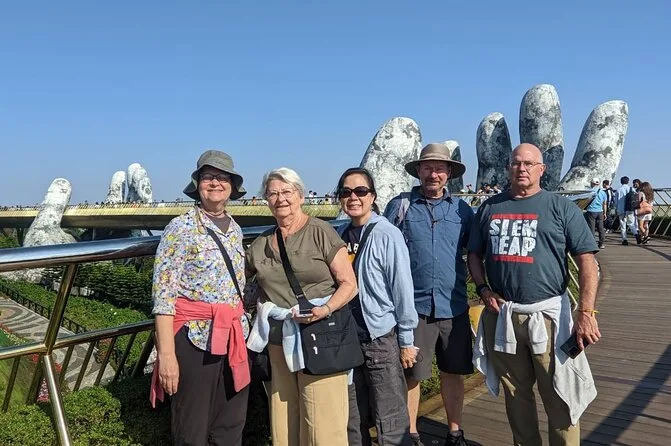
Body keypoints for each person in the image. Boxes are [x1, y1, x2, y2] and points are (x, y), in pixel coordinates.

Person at [468, 143, 600, 446]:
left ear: (542, 169)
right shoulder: (490, 207)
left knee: (560, 393)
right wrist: (483, 289)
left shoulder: (561, 208)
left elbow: (586, 261)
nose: (522, 168)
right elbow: (474, 254)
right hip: (503, 316)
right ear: (508, 168)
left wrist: (585, 312)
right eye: (516, 163)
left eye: (529, 163)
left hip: (549, 317)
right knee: (516, 393)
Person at [245, 167, 358, 446]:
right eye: (273, 193)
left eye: (287, 192)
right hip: (278, 340)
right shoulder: (260, 244)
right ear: (265, 200)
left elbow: (349, 284)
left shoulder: (320, 231)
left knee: (323, 425)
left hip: (320, 335)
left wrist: (326, 309)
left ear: (300, 196)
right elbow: (241, 284)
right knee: (284, 421)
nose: (280, 198)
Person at [151, 150, 251, 445]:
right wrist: (166, 355)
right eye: (208, 177)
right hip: (195, 338)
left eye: (222, 177)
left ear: (232, 186)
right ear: (198, 184)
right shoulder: (180, 228)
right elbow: (163, 295)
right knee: (191, 427)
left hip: (233, 335)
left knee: (230, 424)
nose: (215, 183)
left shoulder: (235, 228)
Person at [384, 143, 474, 446]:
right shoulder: (400, 206)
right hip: (414, 308)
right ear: (418, 171)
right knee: (412, 375)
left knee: (454, 372)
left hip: (454, 305)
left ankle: (454, 432)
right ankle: (411, 434)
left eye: (439, 169)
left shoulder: (462, 210)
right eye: (427, 168)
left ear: (449, 173)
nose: (433, 174)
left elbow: (475, 250)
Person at [335, 167, 418, 446]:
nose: (353, 198)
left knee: (390, 414)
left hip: (379, 336)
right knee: (352, 414)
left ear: (372, 196)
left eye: (361, 191)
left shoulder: (387, 234)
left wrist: (406, 340)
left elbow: (402, 288)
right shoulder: (340, 235)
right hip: (348, 338)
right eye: (346, 192)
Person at [616, 176, 641, 245]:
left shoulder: (618, 190)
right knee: (631, 223)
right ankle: (636, 234)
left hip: (621, 210)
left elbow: (616, 202)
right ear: (628, 182)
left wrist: (616, 209)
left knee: (623, 225)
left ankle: (624, 240)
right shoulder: (632, 189)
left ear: (621, 182)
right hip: (630, 209)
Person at [585, 178, 607, 249]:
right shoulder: (603, 192)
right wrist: (605, 213)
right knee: (601, 228)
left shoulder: (589, 191)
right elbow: (604, 204)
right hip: (600, 211)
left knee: (591, 228)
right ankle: (601, 244)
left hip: (591, 211)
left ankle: (593, 244)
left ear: (592, 183)